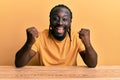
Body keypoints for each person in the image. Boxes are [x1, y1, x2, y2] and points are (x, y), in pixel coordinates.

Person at [15, 4, 97, 68]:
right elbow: (19, 63)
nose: (60, 23)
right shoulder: (40, 37)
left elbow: (92, 64)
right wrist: (29, 43)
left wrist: (88, 44)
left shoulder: (76, 37)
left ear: (70, 22)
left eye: (64, 19)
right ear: (50, 20)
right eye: (55, 18)